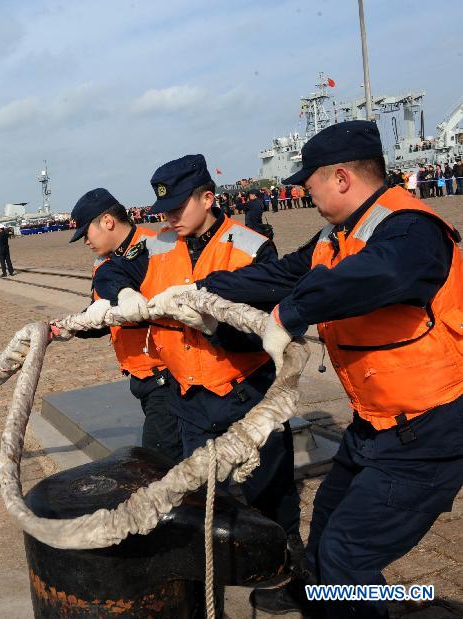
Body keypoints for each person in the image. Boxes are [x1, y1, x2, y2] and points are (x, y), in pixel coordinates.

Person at [195, 120, 463, 618]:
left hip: (431, 428)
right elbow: (277, 273)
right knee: (325, 533)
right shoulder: (334, 235)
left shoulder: (412, 229)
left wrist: (288, 315)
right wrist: (200, 291)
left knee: (346, 558)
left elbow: (373, 275)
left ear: (340, 178)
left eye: (308, 181)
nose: (304, 191)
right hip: (376, 425)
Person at [141, 154, 301, 575]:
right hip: (189, 399)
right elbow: (117, 267)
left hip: (245, 393)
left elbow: (270, 330)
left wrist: (213, 326)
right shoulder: (157, 246)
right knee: (205, 499)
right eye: (165, 210)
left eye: (178, 207)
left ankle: (285, 571)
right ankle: (216, 571)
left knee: (270, 490)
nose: (170, 217)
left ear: (208, 197)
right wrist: (117, 290)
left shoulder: (251, 248)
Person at [66, 188, 182, 462]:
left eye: (86, 233)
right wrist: (72, 327)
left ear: (107, 221)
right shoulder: (104, 262)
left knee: (158, 462)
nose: (85, 242)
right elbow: (105, 318)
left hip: (167, 375)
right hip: (142, 376)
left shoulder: (156, 248)